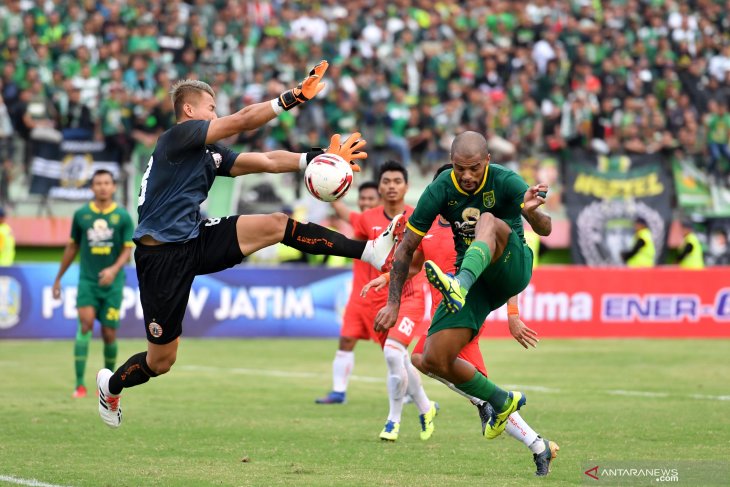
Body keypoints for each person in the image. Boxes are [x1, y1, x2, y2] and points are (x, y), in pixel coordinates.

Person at [95, 61, 402, 429]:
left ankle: (371, 250)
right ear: (190, 111)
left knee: (276, 224)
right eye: (211, 108)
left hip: (195, 237)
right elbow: (242, 120)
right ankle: (111, 386)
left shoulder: (209, 153)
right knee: (161, 361)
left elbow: (270, 161)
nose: (217, 115)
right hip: (160, 256)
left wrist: (319, 158)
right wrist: (293, 97)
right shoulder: (178, 138)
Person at [363, 163, 558, 475]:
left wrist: (513, 313)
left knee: (468, 384)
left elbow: (501, 264)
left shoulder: (476, 224)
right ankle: (532, 439)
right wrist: (386, 280)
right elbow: (413, 264)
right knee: (420, 358)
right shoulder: (429, 229)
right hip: (447, 311)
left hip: (467, 309)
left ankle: (523, 432)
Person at [318, 161, 437, 442]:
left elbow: (420, 261)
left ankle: (392, 421)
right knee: (399, 359)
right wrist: (325, 184)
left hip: (410, 297)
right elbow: (346, 216)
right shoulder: (367, 218)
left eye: (398, 181)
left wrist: (386, 279)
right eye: (386, 181)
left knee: (394, 354)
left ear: (407, 186)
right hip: (379, 302)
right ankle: (425, 407)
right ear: (379, 186)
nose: (392, 186)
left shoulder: (419, 218)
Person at [52, 170, 134, 398]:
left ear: (113, 187)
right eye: (98, 183)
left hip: (113, 284)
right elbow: (72, 247)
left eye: (107, 183)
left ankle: (109, 384)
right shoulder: (81, 215)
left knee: (109, 334)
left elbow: (128, 249)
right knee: (85, 324)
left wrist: (113, 270)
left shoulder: (122, 216)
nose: (102, 187)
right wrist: (58, 278)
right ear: (92, 187)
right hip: (88, 281)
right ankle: (79, 384)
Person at [315, 180, 381, 404]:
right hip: (358, 298)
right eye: (362, 198)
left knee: (393, 350)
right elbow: (340, 208)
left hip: (383, 298)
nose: (366, 202)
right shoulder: (361, 222)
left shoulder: (390, 225)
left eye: (371, 198)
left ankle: (416, 396)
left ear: (381, 201)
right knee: (345, 341)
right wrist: (328, 182)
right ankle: (338, 392)